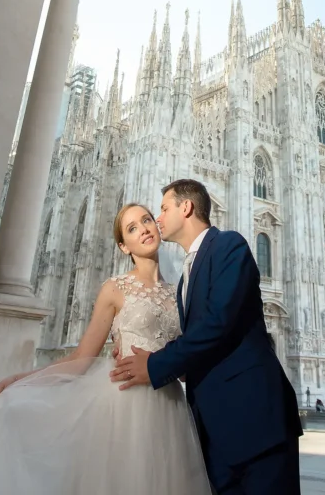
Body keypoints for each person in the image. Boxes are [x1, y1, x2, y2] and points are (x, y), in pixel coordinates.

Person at [0, 204, 211, 495]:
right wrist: (26, 379)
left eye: (147, 220)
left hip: (170, 405)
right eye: (132, 228)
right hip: (124, 403)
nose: (145, 229)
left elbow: (186, 362)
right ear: (124, 246)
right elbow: (81, 358)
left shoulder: (180, 292)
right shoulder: (115, 288)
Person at [111, 178, 303, 494]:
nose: (156, 220)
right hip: (214, 432)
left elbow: (219, 322)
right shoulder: (186, 276)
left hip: (255, 422)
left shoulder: (228, 245)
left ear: (185, 207)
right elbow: (207, 341)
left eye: (162, 209)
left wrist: (156, 365)